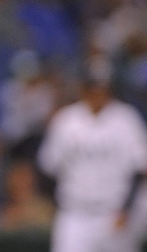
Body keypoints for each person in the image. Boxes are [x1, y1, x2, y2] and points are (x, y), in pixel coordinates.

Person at [37, 55, 147, 252]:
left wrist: (127, 210)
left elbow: (139, 170)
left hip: (115, 215)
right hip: (74, 214)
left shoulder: (126, 119)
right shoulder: (66, 121)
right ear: (82, 87)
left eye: (102, 87)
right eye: (92, 86)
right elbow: (48, 168)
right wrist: (56, 205)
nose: (97, 92)